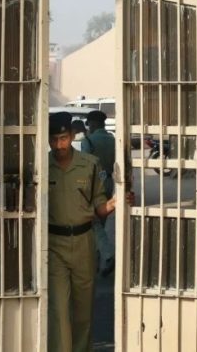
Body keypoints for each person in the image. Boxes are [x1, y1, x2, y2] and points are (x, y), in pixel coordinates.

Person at [48, 111, 116, 352]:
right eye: (54, 140)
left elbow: (100, 207)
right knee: (58, 310)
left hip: (84, 243)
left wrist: (117, 202)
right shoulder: (42, 166)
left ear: (71, 136)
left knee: (83, 311)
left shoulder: (89, 164)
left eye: (63, 138)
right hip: (54, 244)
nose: (59, 145)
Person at [81, 110, 116, 277]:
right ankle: (97, 260)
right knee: (100, 220)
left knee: (92, 221)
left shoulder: (88, 140)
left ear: (92, 124)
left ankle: (107, 254)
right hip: (108, 181)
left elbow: (84, 165)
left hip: (92, 182)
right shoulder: (112, 140)